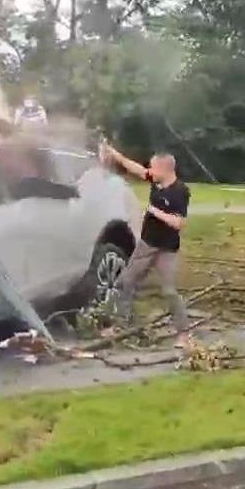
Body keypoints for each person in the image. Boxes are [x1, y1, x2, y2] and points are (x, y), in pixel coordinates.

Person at [102, 143, 191, 346]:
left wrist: (154, 211)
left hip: (166, 248)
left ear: (164, 169)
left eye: (153, 168)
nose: (149, 172)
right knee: (125, 281)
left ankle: (183, 334)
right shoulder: (155, 180)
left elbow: (179, 223)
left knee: (169, 291)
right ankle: (120, 325)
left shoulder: (180, 191)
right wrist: (114, 153)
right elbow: (135, 168)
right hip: (146, 244)